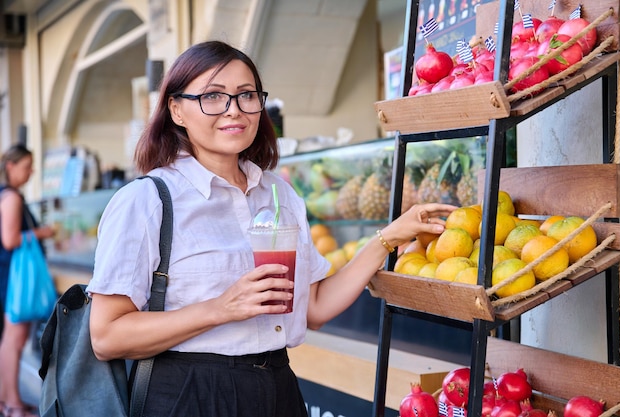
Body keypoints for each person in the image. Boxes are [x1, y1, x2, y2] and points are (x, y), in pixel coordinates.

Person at [86, 40, 456, 417]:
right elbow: (106, 336)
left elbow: (314, 308)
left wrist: (387, 238)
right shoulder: (147, 201)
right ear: (177, 109)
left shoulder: (279, 193)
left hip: (277, 386)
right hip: (189, 391)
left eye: (246, 95)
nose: (234, 110)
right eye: (213, 97)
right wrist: (219, 309)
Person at [0, 144, 55, 417]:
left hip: (8, 276)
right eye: (27, 166)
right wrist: (42, 233)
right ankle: (13, 405)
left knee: (9, 340)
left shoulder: (5, 195)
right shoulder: (12, 197)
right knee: (14, 340)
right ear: (11, 166)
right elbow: (10, 239)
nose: (31, 172)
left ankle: (7, 401)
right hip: (14, 279)